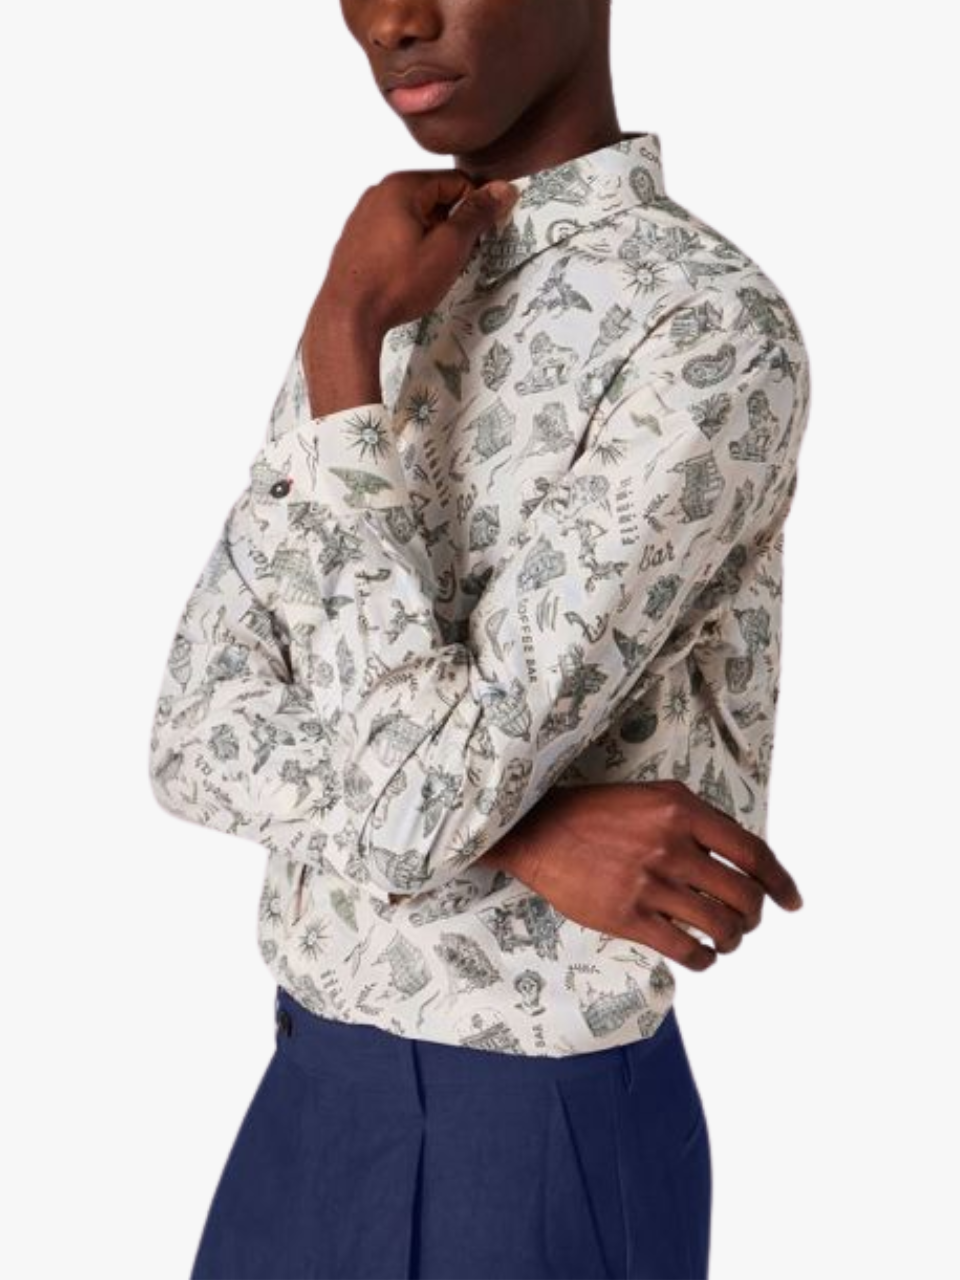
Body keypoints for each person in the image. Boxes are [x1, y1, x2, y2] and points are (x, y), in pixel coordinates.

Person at [148, 1, 811, 1276]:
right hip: (307, 1094)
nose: (392, 20)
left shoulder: (705, 330)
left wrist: (344, 348)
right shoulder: (387, 283)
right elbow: (192, 733)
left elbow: (413, 814)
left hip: (530, 1135)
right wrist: (529, 833)